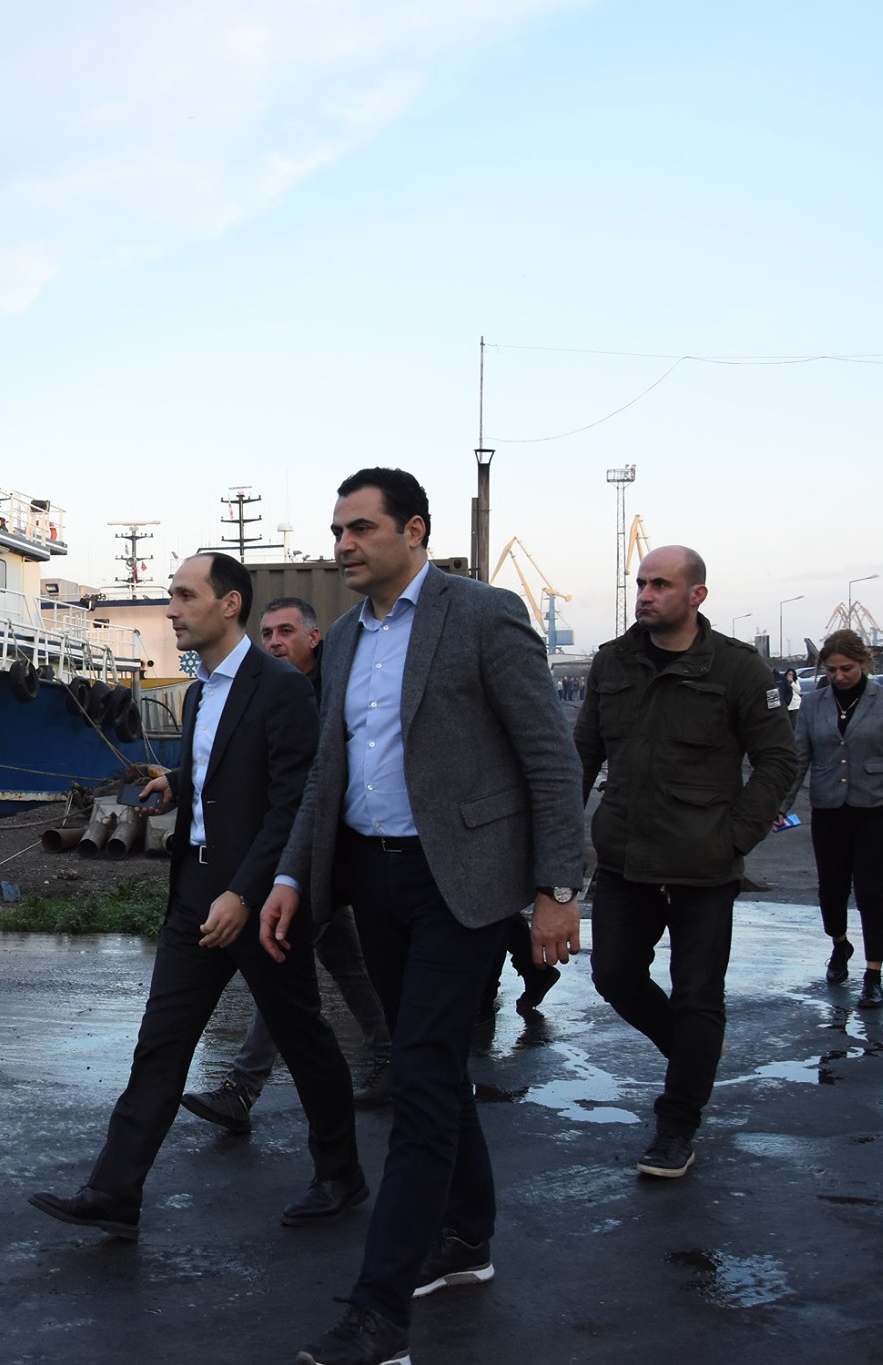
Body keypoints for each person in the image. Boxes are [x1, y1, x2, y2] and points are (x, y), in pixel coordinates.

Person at [258, 469, 585, 1365]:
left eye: (361, 528)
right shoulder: (346, 640)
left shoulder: (482, 614)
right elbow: (328, 774)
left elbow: (550, 757)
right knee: (427, 1061)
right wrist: (291, 875)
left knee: (421, 1078)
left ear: (414, 530)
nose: (343, 545)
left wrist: (558, 888)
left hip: (461, 883)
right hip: (373, 876)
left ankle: (380, 1314)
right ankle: (466, 1235)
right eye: (337, 530)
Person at [28, 554, 364, 1240]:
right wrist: (178, 782)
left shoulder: (281, 689)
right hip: (195, 891)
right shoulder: (200, 692)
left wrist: (245, 892)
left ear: (229, 604)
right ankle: (114, 1191)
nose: (172, 609)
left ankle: (340, 1175)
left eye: (185, 596)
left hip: (259, 901)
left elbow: (291, 804)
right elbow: (223, 763)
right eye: (172, 596)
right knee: (162, 1041)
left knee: (301, 1036)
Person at [575, 546, 797, 1180]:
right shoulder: (613, 661)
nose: (645, 595)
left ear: (697, 595)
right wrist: (560, 838)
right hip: (625, 857)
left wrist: (735, 838)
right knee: (614, 976)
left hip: (704, 865)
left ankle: (676, 1127)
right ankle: (692, 1056)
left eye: (661, 585)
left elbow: (778, 759)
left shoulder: (736, 667)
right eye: (641, 583)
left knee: (698, 995)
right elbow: (581, 755)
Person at [182, 596, 396, 1127]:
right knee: (336, 958)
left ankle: (244, 1088)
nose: (274, 643)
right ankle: (390, 1052)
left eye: (286, 632)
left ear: (314, 638)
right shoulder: (269, 691)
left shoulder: (334, 690)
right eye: (268, 634)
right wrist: (175, 781)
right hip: (295, 853)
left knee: (278, 961)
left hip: (326, 851)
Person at [782, 628, 883, 1008]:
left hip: (877, 808)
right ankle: (840, 944)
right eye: (831, 670)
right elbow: (799, 759)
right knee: (831, 889)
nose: (839, 676)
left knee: (871, 892)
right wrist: (780, 806)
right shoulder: (813, 704)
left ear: (863, 664)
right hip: (830, 809)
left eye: (847, 668)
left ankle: (873, 975)